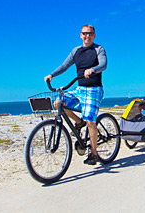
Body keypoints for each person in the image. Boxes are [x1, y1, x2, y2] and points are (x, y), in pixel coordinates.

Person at [44, 25, 107, 165]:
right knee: (58, 103)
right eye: (85, 33)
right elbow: (64, 66)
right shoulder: (76, 51)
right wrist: (51, 75)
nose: (87, 36)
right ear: (80, 35)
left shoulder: (99, 49)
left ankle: (94, 154)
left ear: (94, 35)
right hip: (79, 89)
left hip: (94, 89)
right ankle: (79, 122)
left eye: (90, 34)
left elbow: (103, 65)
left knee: (91, 120)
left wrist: (93, 69)